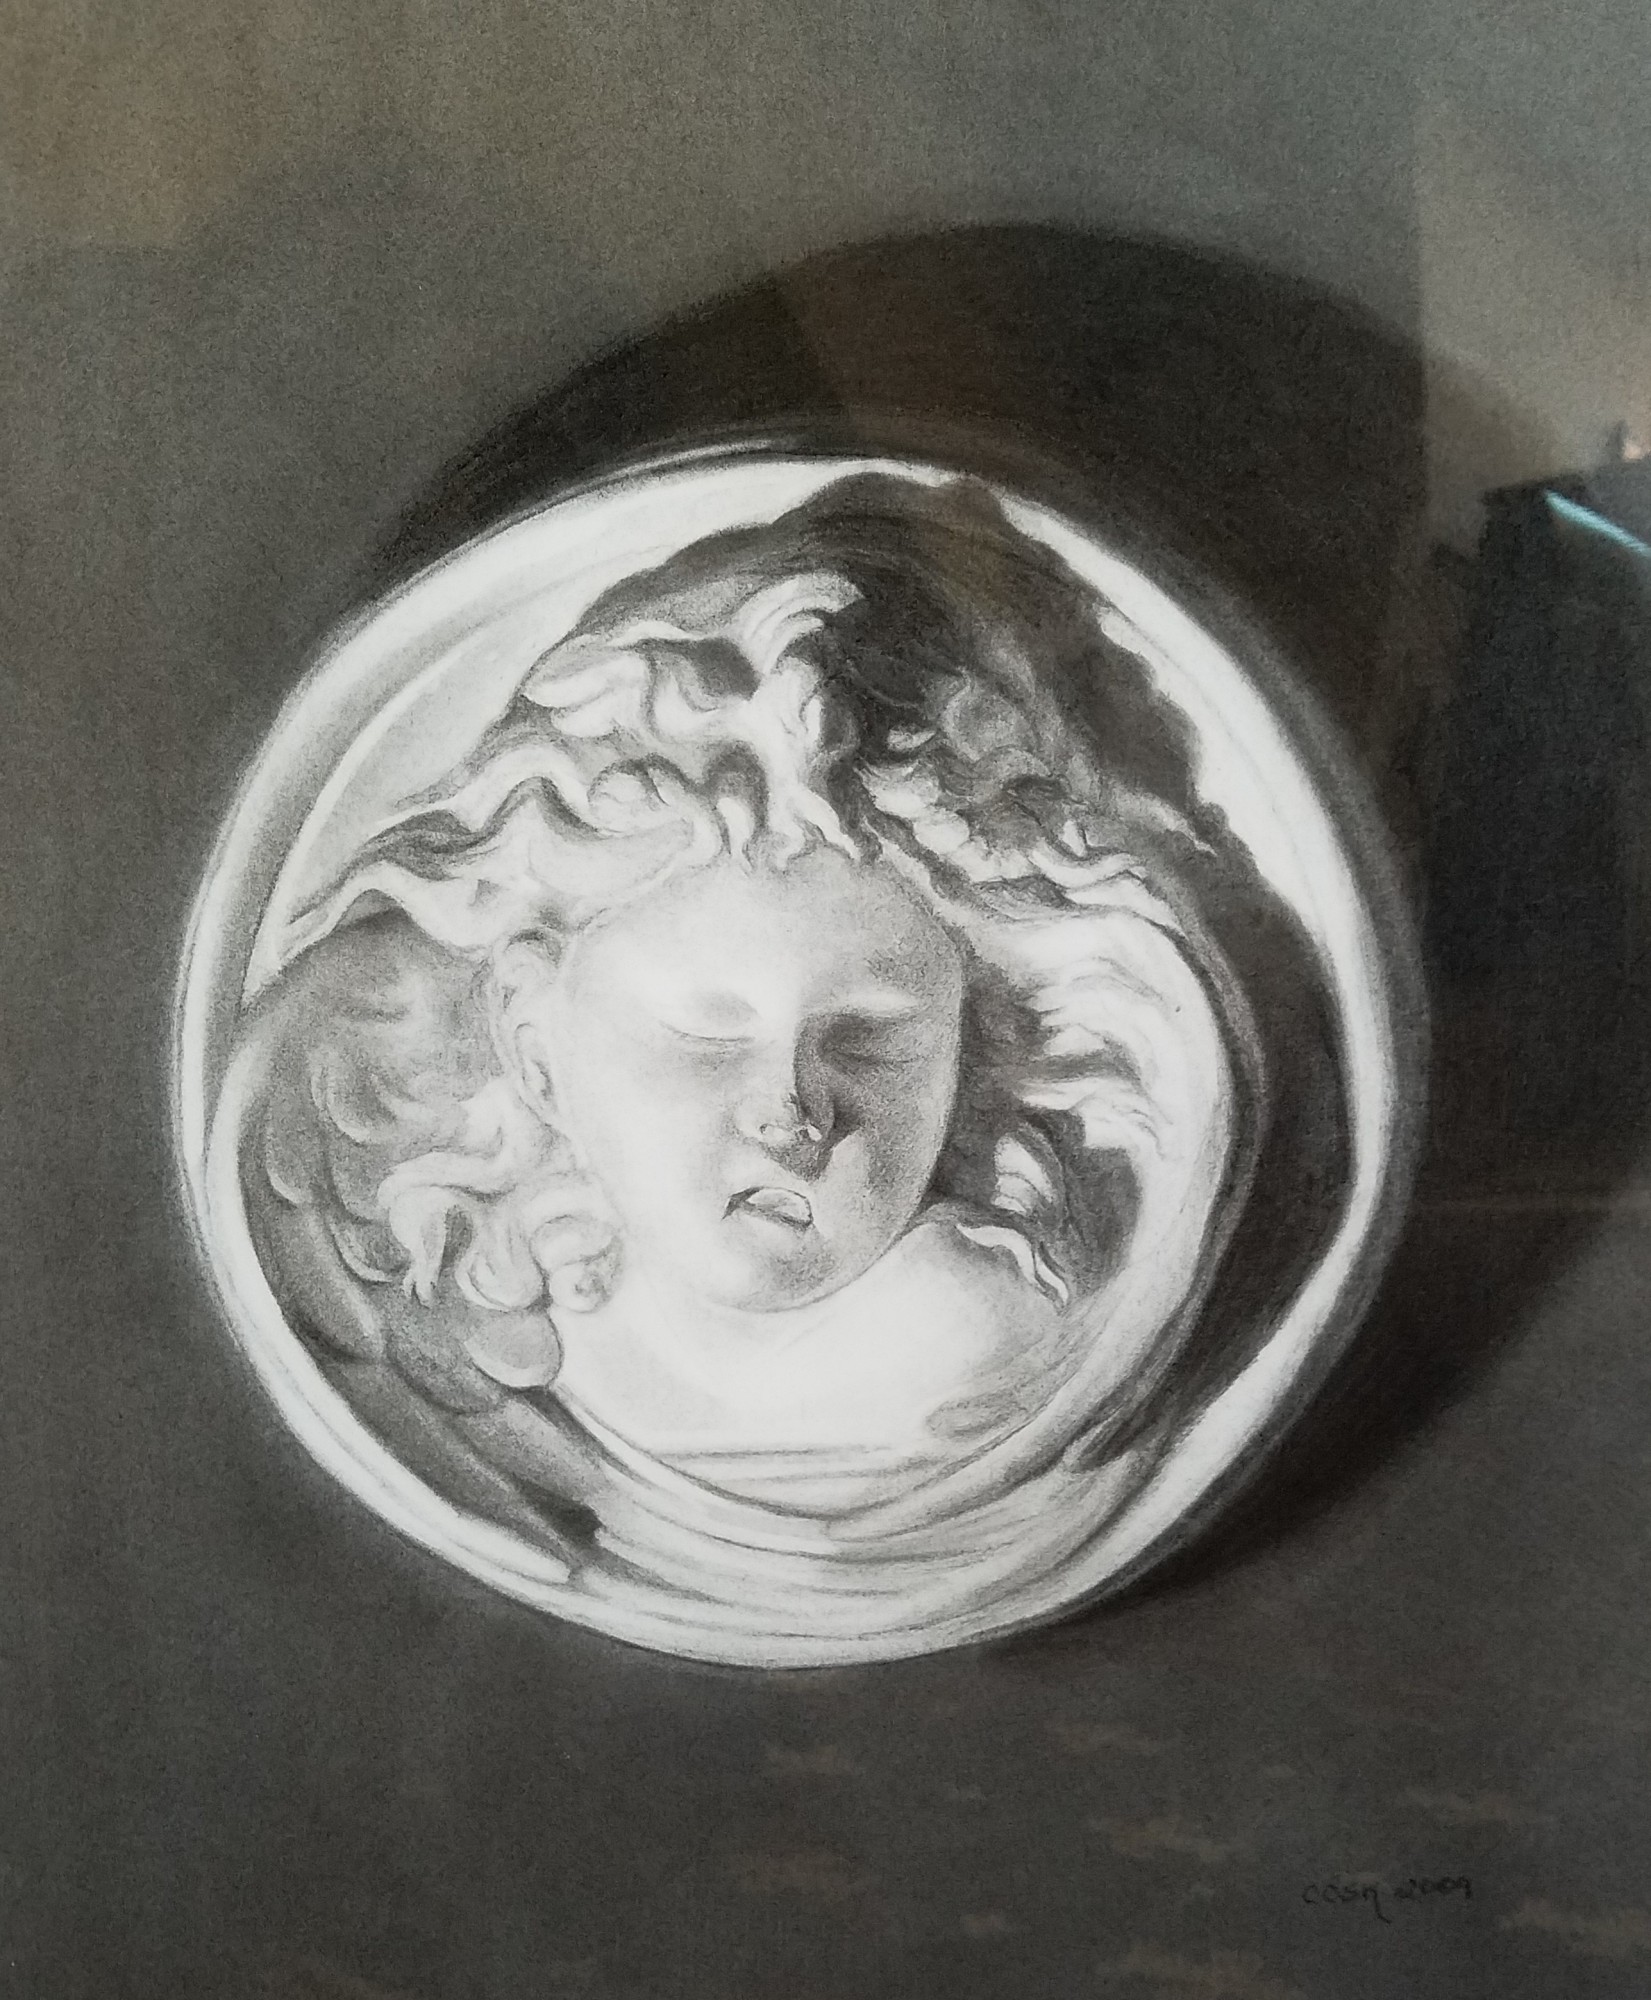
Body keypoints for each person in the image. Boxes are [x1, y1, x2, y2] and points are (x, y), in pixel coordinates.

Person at [234, 473, 1306, 1556]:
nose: (793, 1116)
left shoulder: (993, 1345)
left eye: (872, 1038)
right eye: (706, 1036)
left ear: (972, 1056)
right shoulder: (530, 1345)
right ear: (530, 1040)